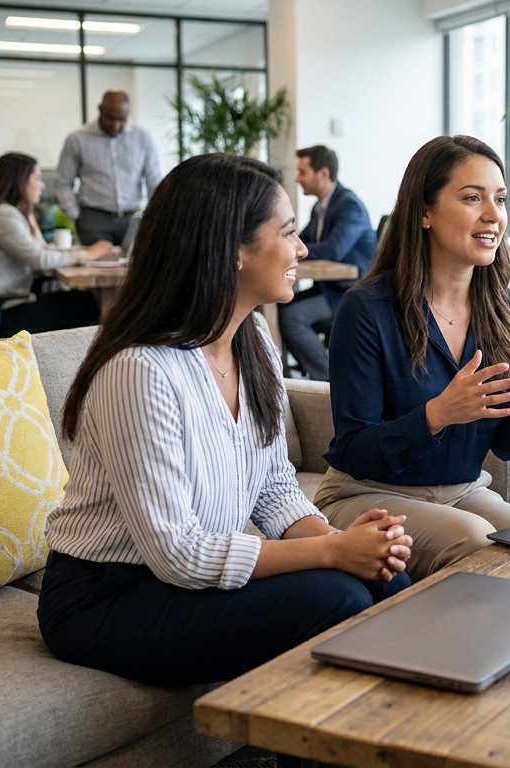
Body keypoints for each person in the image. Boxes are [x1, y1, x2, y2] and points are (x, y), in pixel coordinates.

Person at [38, 154, 413, 688]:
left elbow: (274, 486)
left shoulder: (253, 339)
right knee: (340, 597)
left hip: (175, 580)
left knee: (385, 581)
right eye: (287, 231)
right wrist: (330, 551)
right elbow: (177, 553)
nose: (302, 248)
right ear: (232, 250)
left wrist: (343, 541)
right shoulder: (140, 371)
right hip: (105, 596)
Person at [315, 135, 510, 578]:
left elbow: (506, 444)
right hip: (366, 491)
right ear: (425, 212)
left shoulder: (504, 309)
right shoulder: (367, 309)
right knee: (473, 541)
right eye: (473, 198)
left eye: (501, 199)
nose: (494, 215)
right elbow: (355, 451)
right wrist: (436, 414)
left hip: (462, 490)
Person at [0, 152, 109, 336]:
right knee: (90, 304)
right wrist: (88, 255)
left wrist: (31, 220)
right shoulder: (3, 215)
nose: (42, 185)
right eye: (37, 178)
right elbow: (40, 259)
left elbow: (41, 250)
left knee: (84, 302)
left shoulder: (4, 212)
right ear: (20, 182)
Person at [279, 145, 378, 380]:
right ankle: (292, 376)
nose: (297, 178)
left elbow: (333, 249)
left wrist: (293, 248)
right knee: (281, 306)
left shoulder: (349, 205)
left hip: (350, 292)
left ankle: (328, 382)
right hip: (329, 288)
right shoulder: (320, 207)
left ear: (322, 173)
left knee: (290, 317)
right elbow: (303, 240)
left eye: (302, 172)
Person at [55, 89, 162, 245]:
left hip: (132, 219)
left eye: (122, 119)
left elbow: (154, 181)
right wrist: (76, 216)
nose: (115, 125)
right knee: (94, 269)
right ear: (100, 110)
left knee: (135, 267)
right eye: (110, 118)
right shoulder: (77, 139)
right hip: (93, 220)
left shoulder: (142, 138)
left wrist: (154, 215)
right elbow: (62, 182)